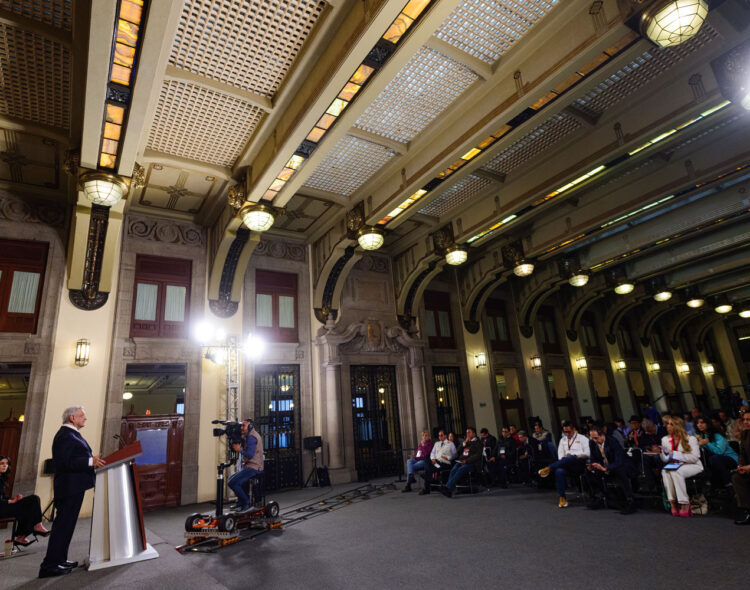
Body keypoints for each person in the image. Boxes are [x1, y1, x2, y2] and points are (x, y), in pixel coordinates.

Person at [40, 406, 106, 578]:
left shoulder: (71, 434)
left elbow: (72, 459)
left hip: (74, 486)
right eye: (82, 416)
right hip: (69, 487)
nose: (85, 418)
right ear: (72, 418)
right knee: (62, 526)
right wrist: (91, 461)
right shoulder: (65, 435)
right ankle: (50, 565)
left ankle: (60, 560)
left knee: (67, 526)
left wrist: (91, 461)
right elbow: (64, 463)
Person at [585, 425, 637, 514]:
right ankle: (599, 497)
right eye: (592, 438)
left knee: (620, 471)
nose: (594, 440)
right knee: (589, 472)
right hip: (604, 465)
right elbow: (594, 458)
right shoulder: (592, 443)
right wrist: (593, 465)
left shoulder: (612, 441)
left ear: (602, 435)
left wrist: (605, 468)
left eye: (596, 438)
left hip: (620, 465)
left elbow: (619, 460)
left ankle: (630, 500)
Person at [538, 421, 590, 508]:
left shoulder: (583, 438)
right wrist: (563, 458)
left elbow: (588, 453)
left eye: (568, 432)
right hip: (566, 465)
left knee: (570, 457)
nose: (566, 434)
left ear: (574, 430)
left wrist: (575, 455)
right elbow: (560, 455)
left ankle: (549, 468)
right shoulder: (563, 440)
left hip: (579, 464)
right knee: (559, 471)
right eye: (564, 432)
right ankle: (562, 498)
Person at [0, 456, 50, 546]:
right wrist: (10, 502)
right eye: (2, 464)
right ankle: (33, 528)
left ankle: (21, 537)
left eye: (6, 464)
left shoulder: (2, 478)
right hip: (1, 509)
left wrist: (13, 499)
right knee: (33, 499)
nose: (5, 466)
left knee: (31, 504)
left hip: (4, 506)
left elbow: (2, 497)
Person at [660, 415, 703, 517]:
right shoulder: (665, 439)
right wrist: (664, 454)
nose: (668, 426)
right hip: (675, 464)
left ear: (678, 426)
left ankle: (684, 503)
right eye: (668, 424)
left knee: (677, 472)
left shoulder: (691, 439)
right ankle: (672, 502)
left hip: (693, 465)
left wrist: (673, 453)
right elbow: (664, 459)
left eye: (671, 424)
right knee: (665, 471)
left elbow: (694, 458)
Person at [227, 418, 264, 512]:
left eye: (244, 426)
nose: (241, 427)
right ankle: (241, 502)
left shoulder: (252, 437)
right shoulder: (248, 435)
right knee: (231, 480)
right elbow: (238, 436)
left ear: (250, 426)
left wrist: (239, 450)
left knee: (232, 483)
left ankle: (246, 503)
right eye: (241, 425)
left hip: (254, 467)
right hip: (249, 466)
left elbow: (250, 455)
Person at [694, 415, 738, 488]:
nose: (699, 425)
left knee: (714, 458)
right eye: (697, 423)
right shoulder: (699, 436)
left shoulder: (717, 435)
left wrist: (707, 443)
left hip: (730, 458)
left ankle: (728, 483)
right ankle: (711, 485)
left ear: (708, 424)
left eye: (702, 422)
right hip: (712, 460)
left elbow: (720, 452)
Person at [442, 427, 482, 498]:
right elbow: (457, 451)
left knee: (461, 469)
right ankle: (449, 489)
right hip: (462, 461)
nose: (467, 434)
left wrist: (466, 461)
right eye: (466, 433)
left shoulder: (478, 442)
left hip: (472, 464)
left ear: (474, 433)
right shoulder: (466, 442)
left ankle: (448, 488)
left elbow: (477, 455)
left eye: (469, 432)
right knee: (454, 469)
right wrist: (464, 443)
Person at [420, 430, 455, 495]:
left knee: (427, 471)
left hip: (445, 463)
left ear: (445, 436)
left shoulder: (450, 444)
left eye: (441, 435)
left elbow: (454, 455)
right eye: (439, 435)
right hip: (436, 462)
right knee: (427, 461)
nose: (440, 437)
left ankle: (429, 487)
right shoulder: (436, 443)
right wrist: (433, 459)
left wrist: (448, 458)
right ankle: (433, 484)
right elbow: (432, 453)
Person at [731, 410, 750, 525]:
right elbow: (742, 453)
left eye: (749, 419)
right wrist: (741, 466)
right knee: (737, 478)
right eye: (744, 419)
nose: (746, 422)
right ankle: (748, 510)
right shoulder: (745, 434)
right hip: (748, 467)